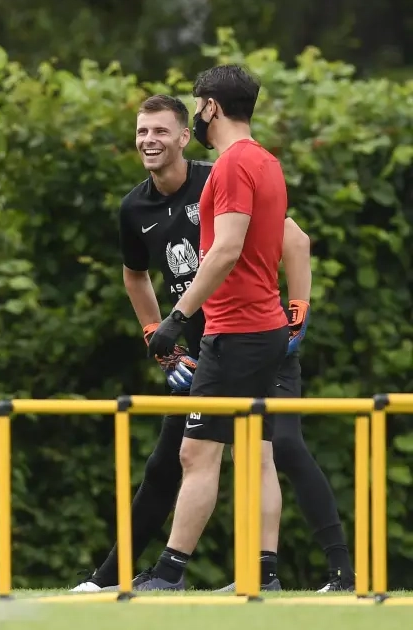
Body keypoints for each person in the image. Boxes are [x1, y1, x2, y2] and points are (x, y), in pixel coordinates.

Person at [70, 95, 352, 593]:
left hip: (252, 336)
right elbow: (134, 276)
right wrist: (159, 337)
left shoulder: (218, 176)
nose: (149, 140)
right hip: (204, 351)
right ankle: (110, 579)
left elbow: (293, 239)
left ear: (185, 137)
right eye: (142, 132)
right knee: (170, 460)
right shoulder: (134, 207)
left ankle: (338, 573)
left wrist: (297, 313)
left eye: (161, 131)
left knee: (276, 448)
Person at [129, 65, 293, 591]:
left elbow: (225, 250)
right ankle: (263, 575)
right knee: (257, 452)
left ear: (210, 107)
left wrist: (175, 319)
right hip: (264, 327)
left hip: (235, 330)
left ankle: (169, 573)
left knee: (195, 453)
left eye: (197, 106)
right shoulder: (265, 160)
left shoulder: (232, 165)